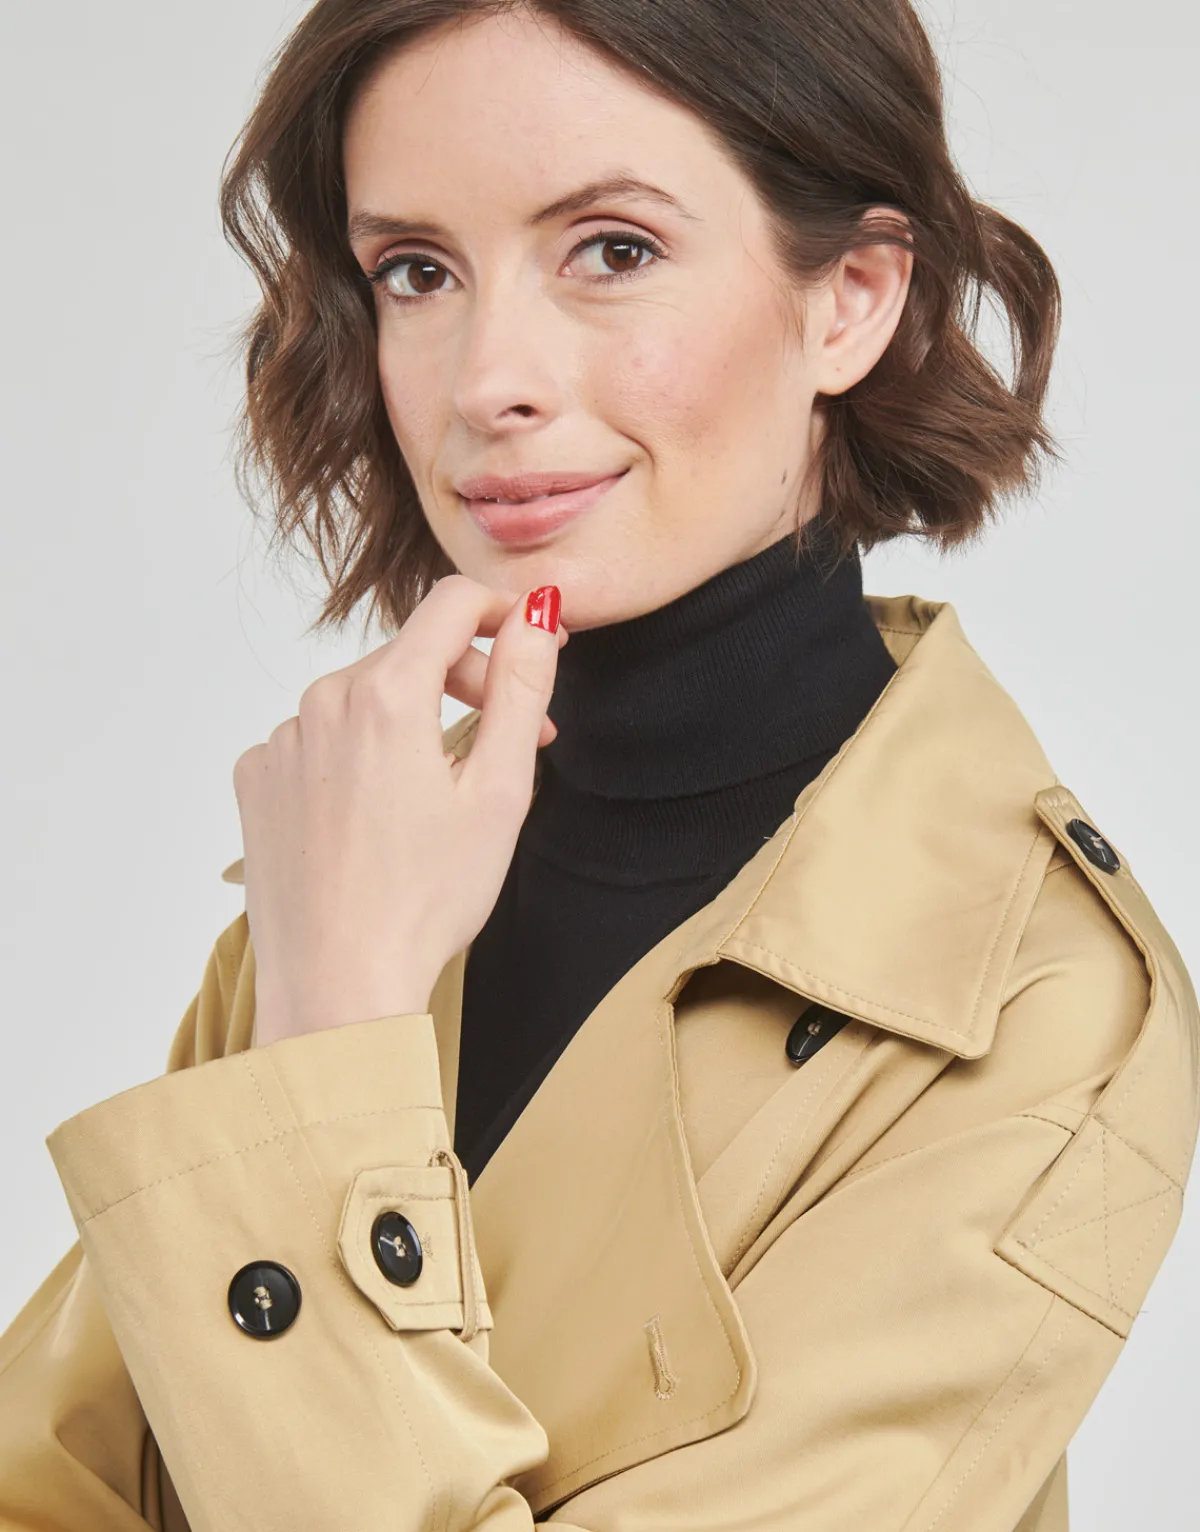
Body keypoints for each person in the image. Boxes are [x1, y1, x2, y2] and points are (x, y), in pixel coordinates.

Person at [0, 2, 1195, 1529]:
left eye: (612, 250)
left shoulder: (1029, 1001)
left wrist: (326, 1048)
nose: (484, 379)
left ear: (851, 301)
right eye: (417, 272)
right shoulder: (368, 854)